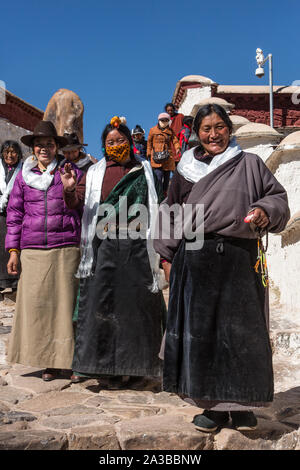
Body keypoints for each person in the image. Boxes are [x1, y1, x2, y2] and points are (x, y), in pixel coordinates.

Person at [154, 104, 290, 432]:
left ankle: (243, 406)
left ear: (229, 129)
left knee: (243, 334)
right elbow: (171, 211)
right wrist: (167, 257)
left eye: (219, 127)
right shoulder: (184, 171)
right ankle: (212, 407)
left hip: (239, 257)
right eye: (206, 129)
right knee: (202, 335)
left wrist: (263, 211)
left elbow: (278, 199)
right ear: (196, 133)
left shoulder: (250, 164)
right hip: (195, 257)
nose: (213, 134)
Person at [71, 116, 166, 385]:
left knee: (136, 309)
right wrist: (68, 190)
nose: (115, 145)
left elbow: (157, 205)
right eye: (110, 142)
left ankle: (137, 368)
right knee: (104, 307)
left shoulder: (144, 170)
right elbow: (78, 201)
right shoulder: (94, 173)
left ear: (130, 141)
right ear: (104, 146)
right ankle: (105, 369)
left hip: (137, 248)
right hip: (103, 248)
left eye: (120, 140)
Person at [5, 121, 85, 381]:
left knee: (66, 307)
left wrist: (70, 188)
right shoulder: (23, 177)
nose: (44, 149)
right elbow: (15, 214)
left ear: (56, 147)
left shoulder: (69, 171)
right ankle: (48, 362)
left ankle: (71, 361)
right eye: (40, 144)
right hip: (33, 248)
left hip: (66, 247)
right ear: (33, 148)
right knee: (40, 307)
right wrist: (13, 250)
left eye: (49, 144)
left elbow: (82, 206)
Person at [0, 141, 23, 294]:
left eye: (13, 152)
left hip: (17, 213)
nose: (10, 155)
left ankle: (14, 282)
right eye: (6, 152)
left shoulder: (23, 170)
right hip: (0, 214)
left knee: (14, 246)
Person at [147, 113, 180, 195]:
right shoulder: (153, 130)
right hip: (156, 157)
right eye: (162, 120)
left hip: (167, 157)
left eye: (166, 120)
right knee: (158, 176)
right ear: (159, 120)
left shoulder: (170, 131)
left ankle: (164, 193)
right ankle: (158, 194)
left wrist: (177, 148)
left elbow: (175, 140)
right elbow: (149, 142)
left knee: (166, 177)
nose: (164, 122)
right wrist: (148, 153)